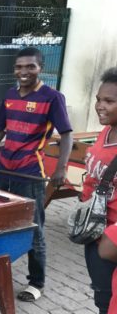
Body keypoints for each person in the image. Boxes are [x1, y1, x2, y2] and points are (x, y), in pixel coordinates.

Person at [0, 47, 72, 302]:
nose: (23, 72)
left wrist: (61, 169)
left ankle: (36, 283)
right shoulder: (10, 94)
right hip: (4, 169)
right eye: (19, 67)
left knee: (33, 228)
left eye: (30, 67)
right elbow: (0, 130)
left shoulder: (52, 97)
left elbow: (67, 134)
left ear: (41, 68)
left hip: (30, 172)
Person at [82, 67, 117, 314]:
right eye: (98, 99)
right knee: (102, 298)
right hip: (94, 229)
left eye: (109, 101)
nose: (99, 106)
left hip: (111, 240)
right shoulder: (106, 131)